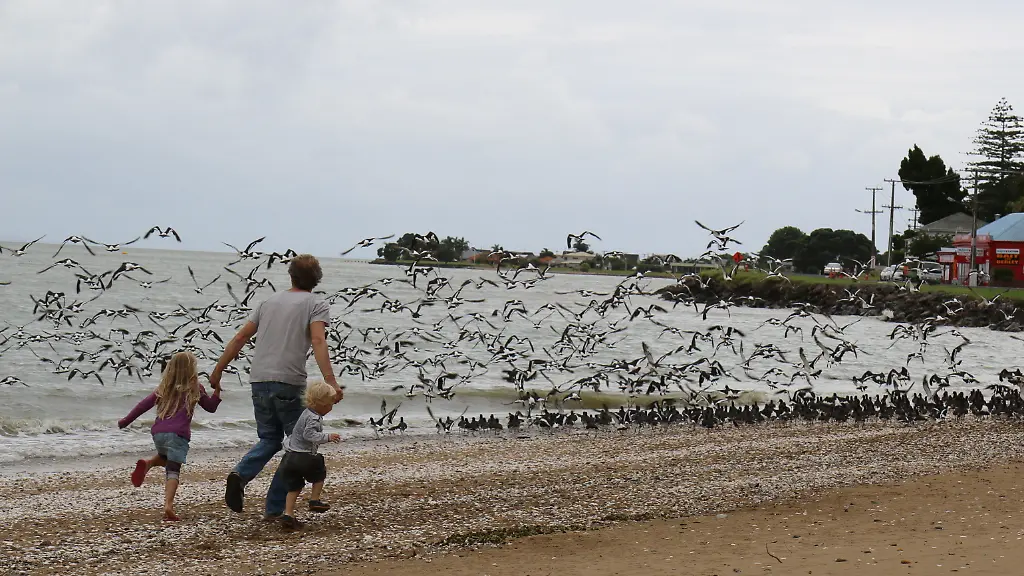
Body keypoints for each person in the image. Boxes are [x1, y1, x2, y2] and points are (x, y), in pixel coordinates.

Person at [209, 254, 342, 519]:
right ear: (317, 279)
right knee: (298, 446)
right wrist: (330, 380)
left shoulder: (267, 302)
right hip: (289, 382)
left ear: (290, 276)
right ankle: (274, 508)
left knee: (269, 439)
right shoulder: (316, 303)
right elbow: (317, 340)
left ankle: (240, 473)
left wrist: (218, 370)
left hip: (258, 379)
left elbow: (241, 337)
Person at [118, 351, 221, 521]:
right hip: (178, 435)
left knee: (166, 456)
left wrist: (125, 421)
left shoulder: (163, 388)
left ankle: (149, 462)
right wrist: (217, 390)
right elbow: (211, 407)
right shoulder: (196, 388)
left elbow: (141, 406)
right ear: (192, 370)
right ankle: (168, 505)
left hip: (158, 434)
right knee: (173, 469)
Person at [276, 379, 341, 530]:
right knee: (319, 470)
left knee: (294, 486)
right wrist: (327, 437)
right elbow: (308, 434)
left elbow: (296, 435)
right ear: (321, 404)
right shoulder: (314, 417)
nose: (331, 407)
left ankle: (288, 515)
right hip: (303, 456)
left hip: (289, 457)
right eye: (330, 404)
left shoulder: (305, 413)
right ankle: (314, 500)